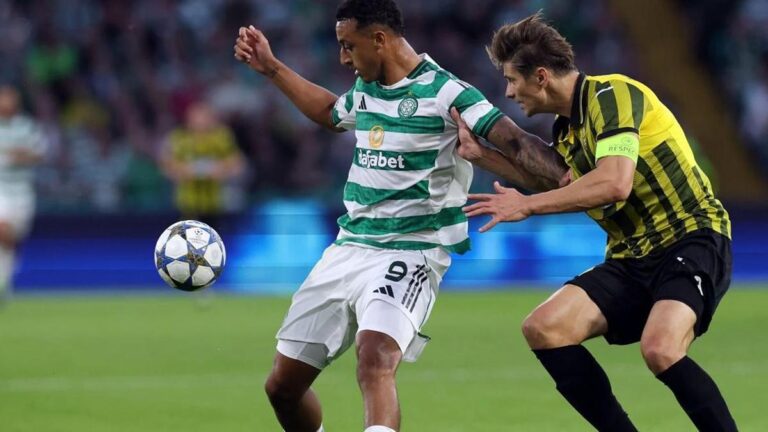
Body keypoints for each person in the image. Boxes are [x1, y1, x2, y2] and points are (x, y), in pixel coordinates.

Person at [234, 1, 567, 431]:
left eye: (348, 46)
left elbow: (516, 141)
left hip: (413, 251)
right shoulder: (366, 89)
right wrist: (272, 68)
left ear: (379, 39)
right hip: (349, 247)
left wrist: (569, 177)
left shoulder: (448, 93)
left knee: (375, 357)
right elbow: (331, 113)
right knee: (282, 388)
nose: (344, 58)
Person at [457, 12, 736, 431]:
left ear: (541, 76)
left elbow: (613, 183)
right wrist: (483, 157)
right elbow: (561, 183)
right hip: (631, 256)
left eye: (512, 80)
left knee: (660, 349)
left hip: (689, 237)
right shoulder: (567, 130)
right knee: (544, 328)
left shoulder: (612, 95)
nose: (509, 92)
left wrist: (528, 207)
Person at [160, 101, 246, 230]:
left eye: (204, 117)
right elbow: (167, 165)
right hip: (188, 202)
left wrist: (222, 170)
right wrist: (184, 170)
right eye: (196, 117)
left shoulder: (221, 137)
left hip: (214, 203)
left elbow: (237, 163)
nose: (200, 121)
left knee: (214, 237)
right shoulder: (179, 138)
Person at [0, 85, 47, 304]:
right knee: (3, 229)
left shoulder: (27, 127)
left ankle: (5, 282)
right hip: (2, 189)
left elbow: (40, 154)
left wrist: (16, 156)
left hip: (21, 192)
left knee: (11, 241)